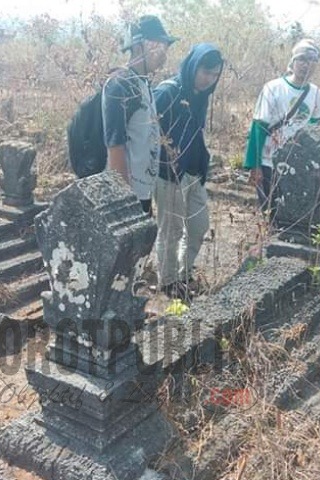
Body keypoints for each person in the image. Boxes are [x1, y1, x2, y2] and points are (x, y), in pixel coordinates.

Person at [153, 44, 224, 299]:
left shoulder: (201, 96)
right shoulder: (168, 92)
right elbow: (148, 131)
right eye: (205, 72)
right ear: (193, 67)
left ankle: (183, 272)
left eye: (215, 74)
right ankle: (168, 281)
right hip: (168, 173)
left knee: (199, 226)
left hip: (194, 172)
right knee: (170, 230)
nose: (209, 79)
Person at [102, 15, 178, 214]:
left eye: (165, 47)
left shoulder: (143, 83)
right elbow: (115, 144)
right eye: (159, 46)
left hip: (143, 192)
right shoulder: (121, 85)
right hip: (127, 197)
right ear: (138, 47)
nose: (164, 54)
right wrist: (124, 201)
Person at [243, 39, 320, 217]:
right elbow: (258, 126)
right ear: (293, 62)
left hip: (298, 163)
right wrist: (254, 165)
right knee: (270, 212)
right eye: (302, 59)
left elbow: (315, 128)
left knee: (292, 213)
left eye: (312, 61)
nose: (306, 65)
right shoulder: (273, 88)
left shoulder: (315, 93)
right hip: (268, 161)